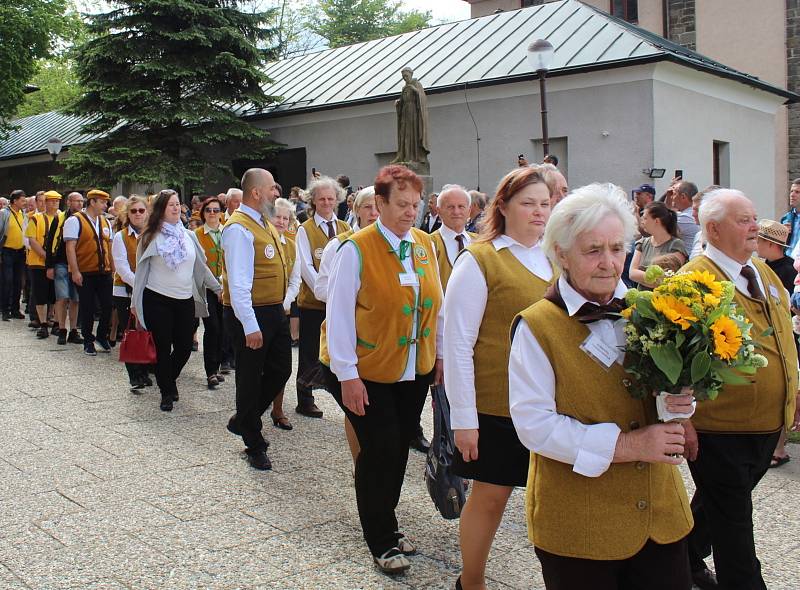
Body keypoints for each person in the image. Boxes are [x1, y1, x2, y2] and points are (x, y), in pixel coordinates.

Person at [508, 182, 694, 590]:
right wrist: (628, 446)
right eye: (593, 251)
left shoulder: (655, 311)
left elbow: (665, 398)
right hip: (581, 528)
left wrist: (680, 401)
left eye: (617, 248)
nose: (609, 263)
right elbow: (533, 426)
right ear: (561, 254)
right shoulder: (537, 326)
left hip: (661, 519)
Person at [322, 164, 443, 574]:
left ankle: (386, 524)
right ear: (380, 202)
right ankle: (380, 537)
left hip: (413, 369)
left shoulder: (425, 244)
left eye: (416, 203)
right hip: (367, 370)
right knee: (381, 451)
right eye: (402, 204)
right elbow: (337, 316)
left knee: (395, 451)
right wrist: (348, 375)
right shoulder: (354, 249)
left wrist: (438, 356)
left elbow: (436, 306)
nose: (412, 211)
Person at [681, 188, 800, 590]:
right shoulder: (693, 282)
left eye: (754, 217)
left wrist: (794, 388)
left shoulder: (762, 271)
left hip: (765, 425)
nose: (756, 227)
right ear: (713, 229)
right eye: (744, 220)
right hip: (720, 429)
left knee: (718, 504)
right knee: (735, 525)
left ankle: (684, 556)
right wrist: (681, 420)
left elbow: (783, 335)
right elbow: (672, 362)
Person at [444, 166, 555, 590]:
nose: (539, 212)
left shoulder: (555, 258)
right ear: (503, 206)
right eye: (528, 203)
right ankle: (471, 581)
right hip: (496, 403)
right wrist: (464, 418)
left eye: (545, 204)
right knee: (490, 499)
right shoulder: (480, 259)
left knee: (550, 501)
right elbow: (457, 342)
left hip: (550, 403)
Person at [221, 168, 291, 470]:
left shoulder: (263, 222)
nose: (277, 193)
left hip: (274, 309)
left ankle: (243, 418)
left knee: (281, 370)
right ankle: (254, 442)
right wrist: (250, 324)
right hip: (251, 312)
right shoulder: (238, 228)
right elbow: (237, 283)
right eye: (272, 188)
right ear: (256, 192)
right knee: (249, 378)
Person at [131, 189, 221, 411]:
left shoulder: (188, 236)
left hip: (184, 299)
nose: (175, 208)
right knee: (162, 347)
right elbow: (141, 271)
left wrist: (218, 288)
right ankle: (166, 392)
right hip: (157, 299)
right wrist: (135, 303)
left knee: (183, 347)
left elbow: (200, 266)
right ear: (161, 209)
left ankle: (168, 378)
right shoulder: (150, 236)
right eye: (170, 204)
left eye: (177, 204)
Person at [315, 186, 379, 462]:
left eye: (378, 206)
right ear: (356, 211)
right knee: (356, 408)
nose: (374, 213)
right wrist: (351, 292)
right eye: (367, 207)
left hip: (381, 339)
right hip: (349, 335)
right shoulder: (340, 244)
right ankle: (358, 463)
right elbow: (320, 288)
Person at [294, 176, 351, 419]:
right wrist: (327, 291)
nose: (327, 203)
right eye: (322, 199)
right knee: (309, 351)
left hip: (340, 304)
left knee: (338, 349)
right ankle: (304, 398)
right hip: (313, 303)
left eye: (331, 198)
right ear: (313, 202)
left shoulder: (346, 229)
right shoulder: (304, 229)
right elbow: (305, 266)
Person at [64, 189, 115, 355]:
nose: (105, 205)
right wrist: (75, 271)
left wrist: (113, 270)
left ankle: (101, 336)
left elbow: (110, 247)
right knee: (87, 308)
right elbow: (70, 248)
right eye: (102, 202)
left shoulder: (105, 222)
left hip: (104, 272)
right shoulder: (74, 220)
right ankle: (88, 340)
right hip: (85, 272)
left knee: (108, 306)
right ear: (92, 202)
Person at [267, 197, 302, 430]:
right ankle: (253, 409)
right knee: (260, 366)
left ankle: (277, 409)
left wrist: (285, 302)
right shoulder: (260, 240)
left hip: (282, 310)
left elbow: (295, 279)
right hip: (260, 310)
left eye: (285, 218)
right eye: (277, 216)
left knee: (282, 366)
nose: (281, 221)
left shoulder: (291, 243)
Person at [111, 195, 149, 389]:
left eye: (141, 210)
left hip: (150, 291)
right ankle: (134, 374)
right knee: (131, 331)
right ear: (127, 214)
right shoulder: (121, 237)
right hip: (125, 291)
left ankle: (144, 370)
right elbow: (122, 268)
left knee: (146, 331)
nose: (138, 214)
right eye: (133, 211)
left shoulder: (152, 235)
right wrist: (141, 284)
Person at [194, 196, 227, 390]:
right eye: (209, 210)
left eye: (216, 210)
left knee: (223, 328)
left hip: (226, 287)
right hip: (206, 287)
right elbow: (200, 263)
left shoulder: (228, 232)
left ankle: (218, 365)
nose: (212, 213)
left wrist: (224, 285)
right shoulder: (197, 234)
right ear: (203, 213)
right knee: (212, 327)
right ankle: (210, 371)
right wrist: (216, 285)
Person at [45, 191, 83, 345]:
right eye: (76, 201)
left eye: (82, 201)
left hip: (78, 263)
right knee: (62, 297)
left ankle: (73, 330)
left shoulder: (84, 218)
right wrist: (49, 266)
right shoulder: (59, 218)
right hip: (60, 262)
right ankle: (61, 329)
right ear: (68, 202)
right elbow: (50, 243)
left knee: (75, 298)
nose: (80, 204)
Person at [25, 190, 62, 339]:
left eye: (57, 201)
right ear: (45, 202)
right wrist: (47, 257)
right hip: (38, 263)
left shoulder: (62, 218)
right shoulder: (35, 218)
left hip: (57, 263)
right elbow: (32, 240)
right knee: (40, 293)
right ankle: (43, 323)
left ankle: (52, 319)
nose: (54, 204)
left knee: (54, 294)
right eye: (51, 201)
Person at [628, 201, 687, 288]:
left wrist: (642, 277)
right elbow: (632, 273)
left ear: (656, 221)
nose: (642, 221)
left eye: (645, 218)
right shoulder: (642, 243)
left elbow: (668, 279)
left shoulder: (676, 245)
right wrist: (654, 279)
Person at [0, 190, 28, 321]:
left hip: (20, 252)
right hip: (7, 251)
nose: (25, 202)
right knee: (7, 281)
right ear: (14, 201)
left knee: (18, 282)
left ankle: (15, 309)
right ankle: (5, 310)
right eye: (22, 200)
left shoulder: (23, 214)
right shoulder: (4, 213)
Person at [670, 180, 700, 247]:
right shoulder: (692, 212)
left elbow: (658, 228)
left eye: (674, 194)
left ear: (683, 197)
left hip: (689, 257)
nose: (671, 197)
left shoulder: (685, 217)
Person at [781, 178, 800, 256]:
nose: (792, 195)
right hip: (788, 263)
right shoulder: (786, 218)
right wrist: (781, 235)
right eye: (791, 191)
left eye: (797, 192)